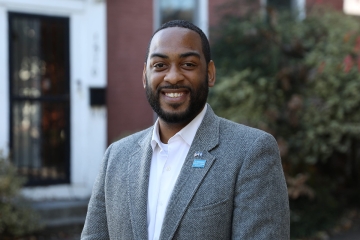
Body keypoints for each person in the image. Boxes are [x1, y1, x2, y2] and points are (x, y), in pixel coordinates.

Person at [81, 20, 290, 240]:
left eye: (188, 64)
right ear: (144, 76)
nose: (172, 77)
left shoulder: (251, 152)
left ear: (209, 73)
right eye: (160, 65)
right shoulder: (116, 156)